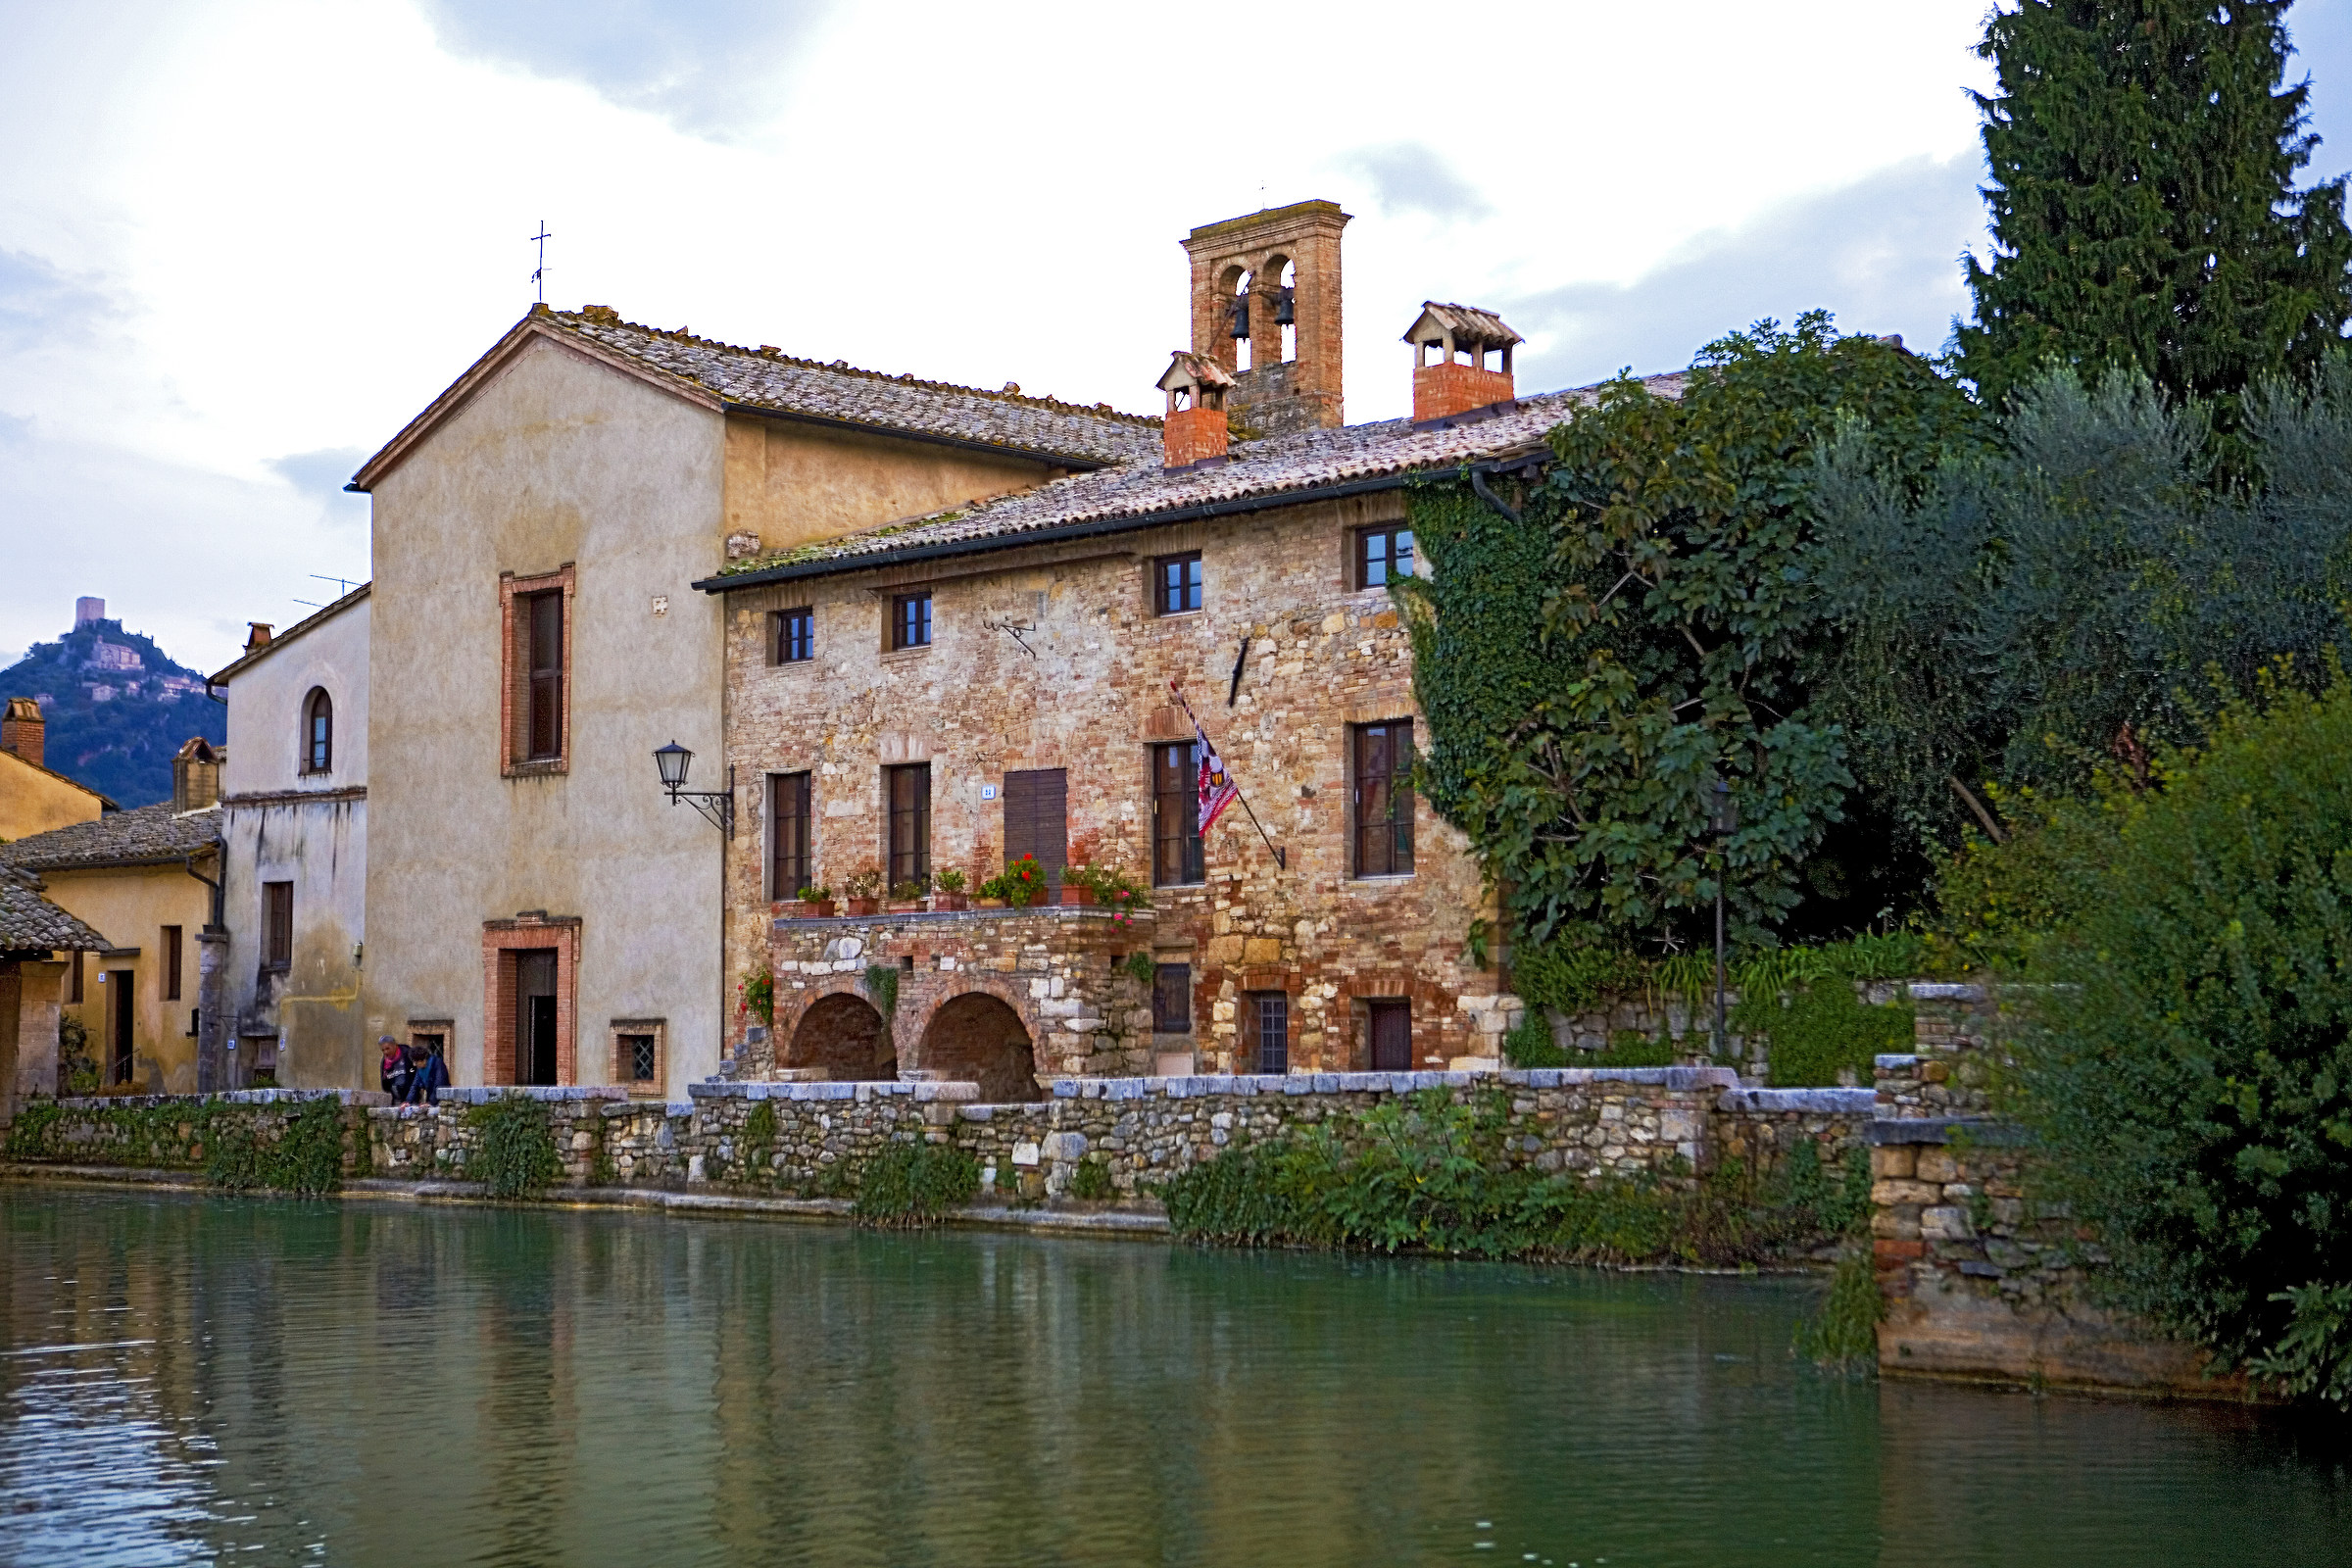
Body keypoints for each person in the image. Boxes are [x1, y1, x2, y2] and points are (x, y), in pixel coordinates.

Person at [406, 1041, 450, 1106]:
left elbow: (439, 1084)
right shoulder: (420, 1069)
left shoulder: (437, 1064)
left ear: (423, 1060)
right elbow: (415, 1085)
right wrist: (408, 1101)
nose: (414, 1065)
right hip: (431, 1099)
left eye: (416, 1062)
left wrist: (431, 1102)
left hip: (443, 1100)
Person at [379, 1036, 410, 1101]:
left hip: (411, 1098)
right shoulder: (385, 1062)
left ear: (395, 1045)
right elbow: (385, 1086)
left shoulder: (407, 1054)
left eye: (387, 1048)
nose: (385, 1052)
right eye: (383, 1050)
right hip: (395, 1099)